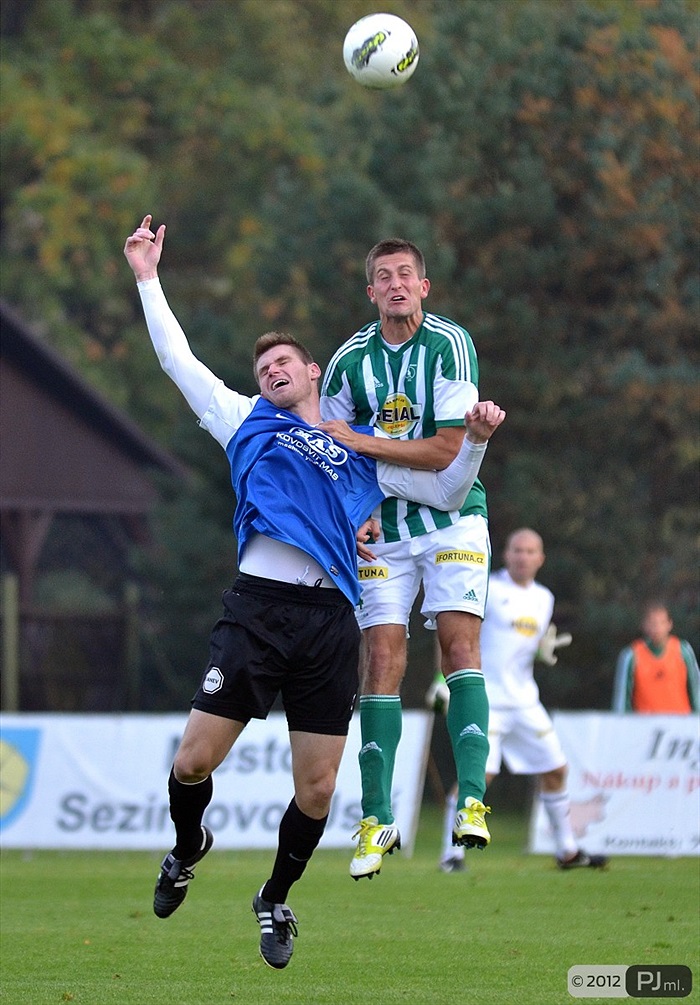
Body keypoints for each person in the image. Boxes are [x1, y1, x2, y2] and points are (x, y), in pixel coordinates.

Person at [123, 216, 505, 968]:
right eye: (262, 365)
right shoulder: (243, 422)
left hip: (331, 617)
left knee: (320, 789)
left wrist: (480, 438)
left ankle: (274, 898)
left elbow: (450, 483)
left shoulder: (358, 455)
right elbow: (177, 359)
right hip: (257, 610)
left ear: (316, 373)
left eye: (284, 362)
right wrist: (147, 275)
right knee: (194, 761)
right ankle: (185, 844)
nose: (270, 370)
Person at [319, 238, 494, 880]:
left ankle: (471, 801)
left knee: (458, 651)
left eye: (406, 275)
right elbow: (329, 453)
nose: (396, 284)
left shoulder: (449, 344)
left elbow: (449, 451)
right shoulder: (347, 363)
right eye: (383, 277)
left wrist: (365, 444)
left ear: (425, 286)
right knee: (381, 656)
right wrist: (354, 505)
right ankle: (375, 820)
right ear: (370, 292)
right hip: (384, 532)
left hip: (452, 517)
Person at [429, 528, 608, 871]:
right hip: (488, 700)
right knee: (478, 777)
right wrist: (442, 679)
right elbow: (455, 633)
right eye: (517, 550)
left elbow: (524, 647)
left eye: (530, 551)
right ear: (505, 554)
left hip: (525, 701)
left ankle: (567, 851)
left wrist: (542, 651)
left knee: (556, 770)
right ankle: (451, 855)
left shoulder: (544, 598)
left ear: (540, 558)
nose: (523, 557)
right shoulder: (490, 590)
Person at [612, 602, 698, 713]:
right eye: (652, 623)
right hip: (645, 726)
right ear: (643, 625)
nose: (657, 628)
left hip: (680, 724)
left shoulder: (683, 650)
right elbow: (621, 701)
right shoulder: (631, 655)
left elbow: (696, 691)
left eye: (661, 623)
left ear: (669, 624)